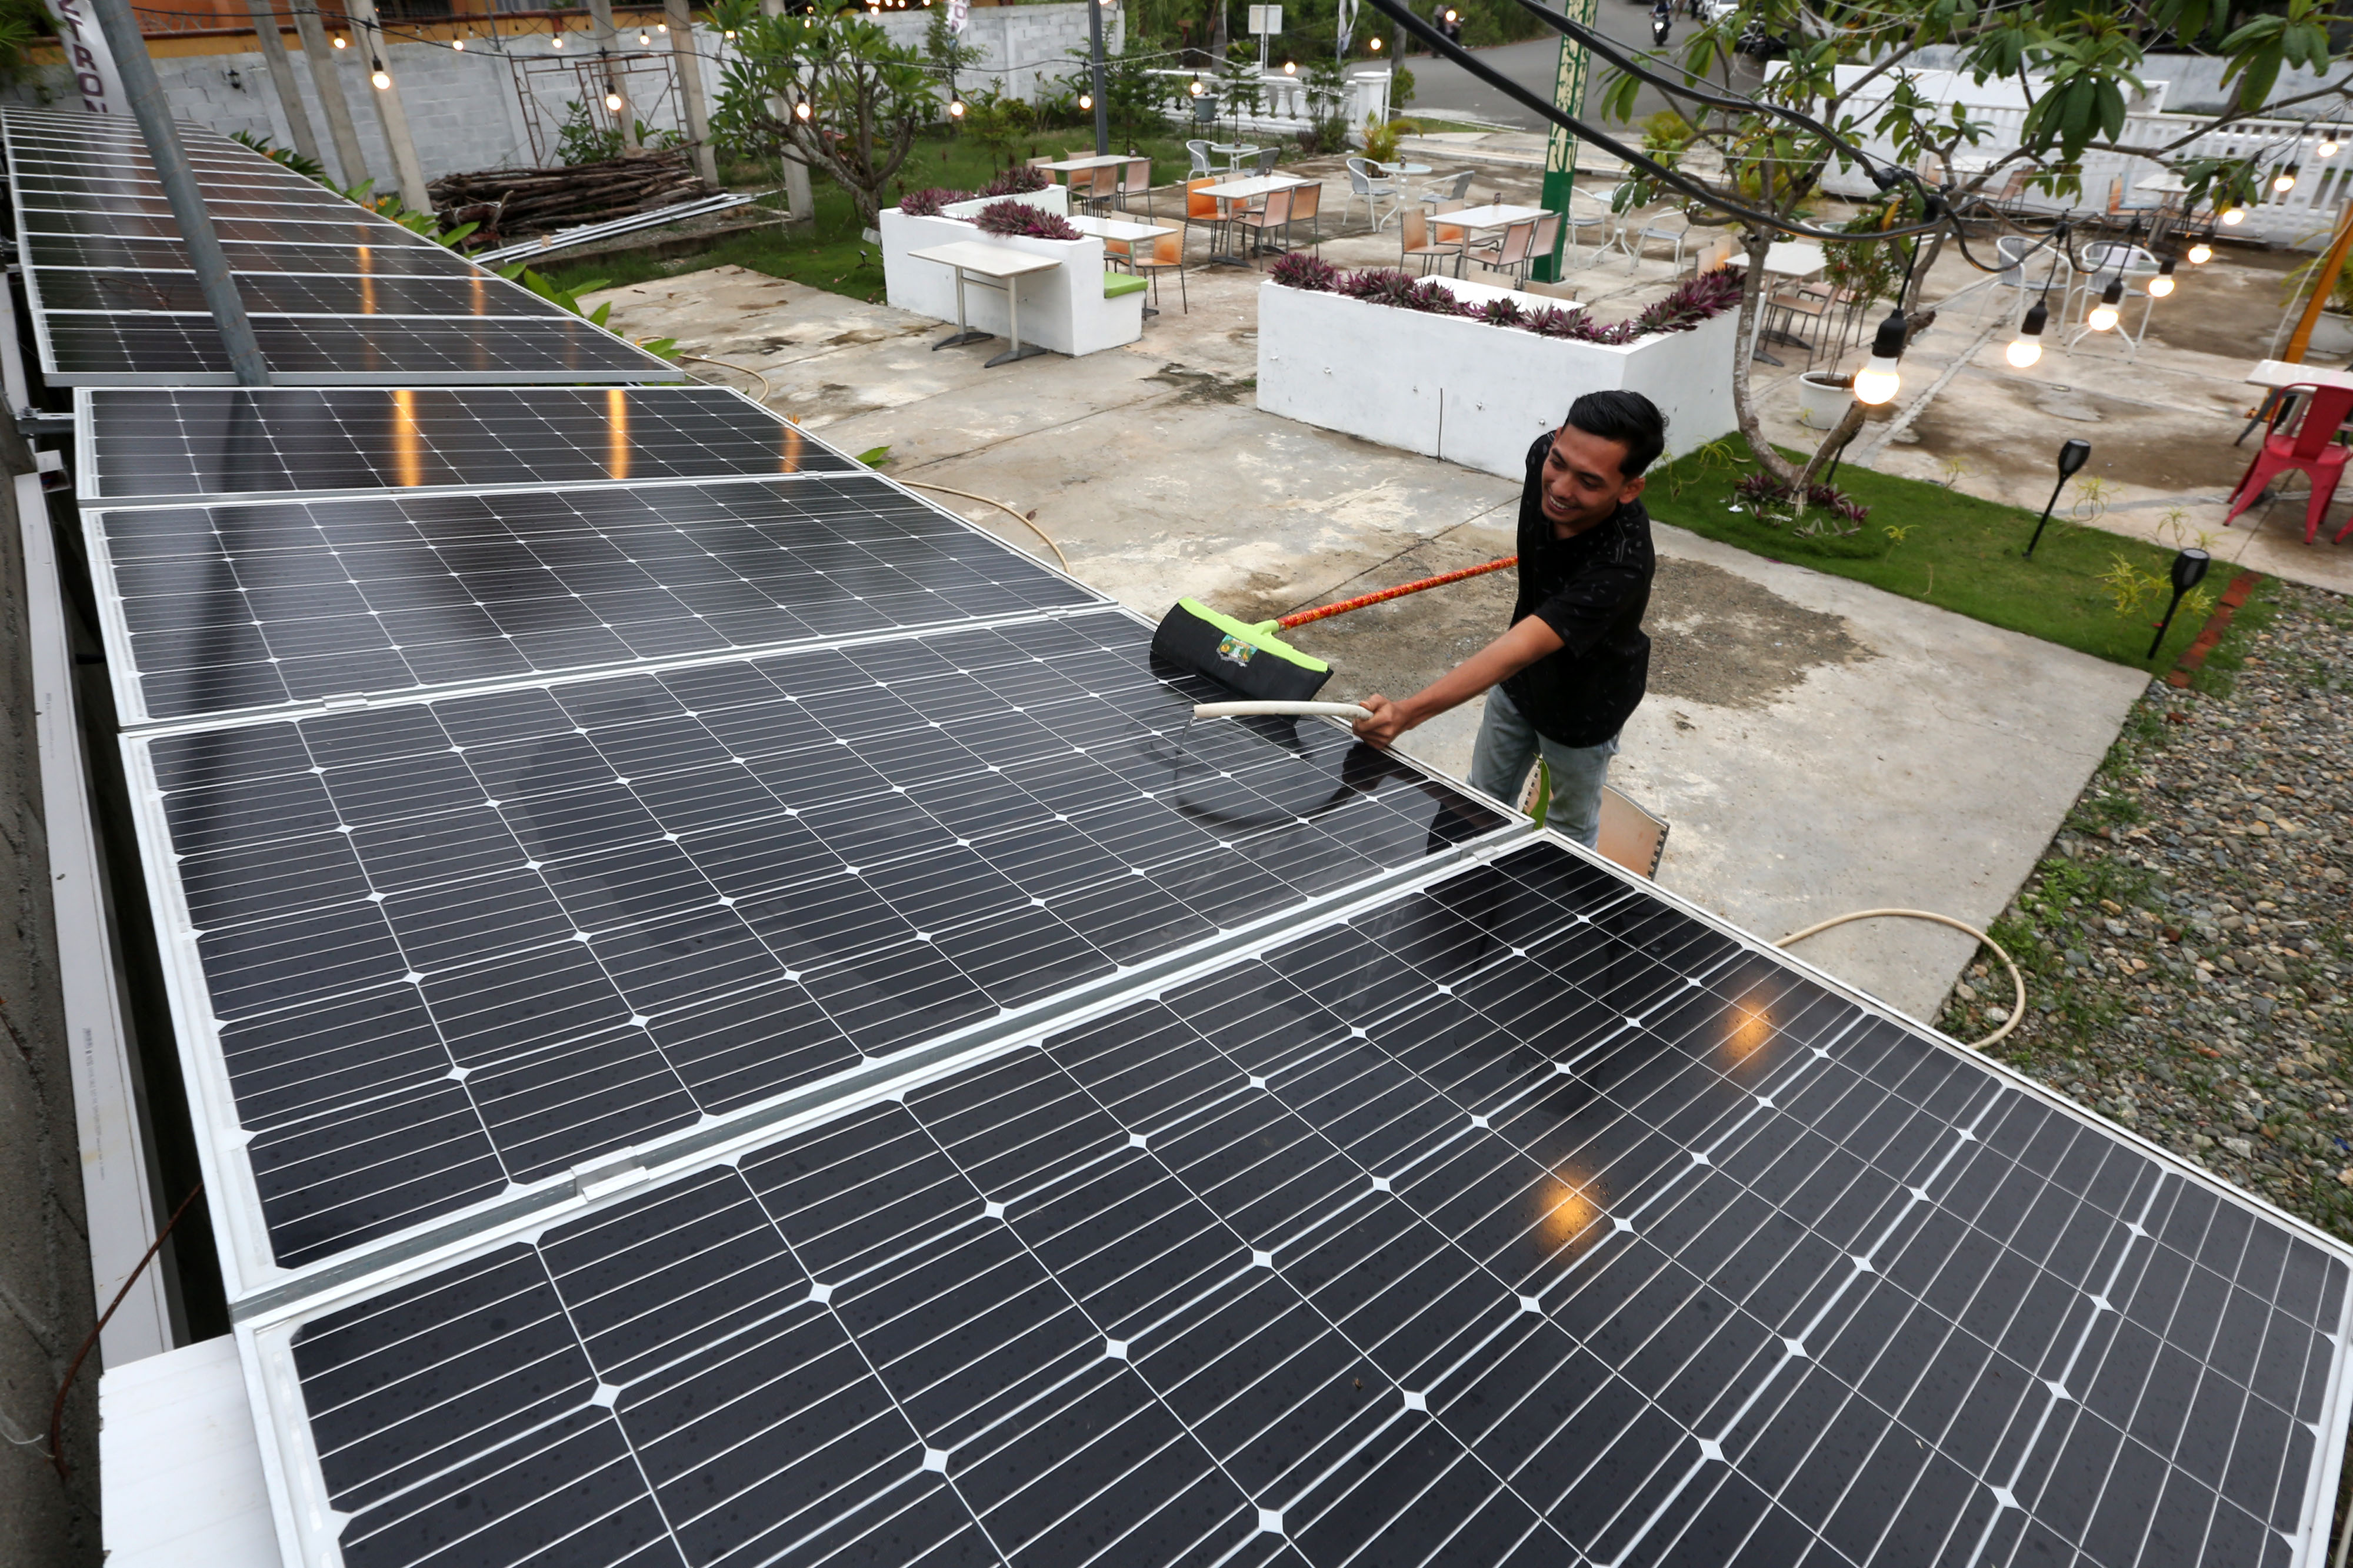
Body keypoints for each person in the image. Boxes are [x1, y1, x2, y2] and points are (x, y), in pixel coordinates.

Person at [1351, 390, 1663, 849]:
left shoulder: (1623, 563)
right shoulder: (1543, 456)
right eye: (1560, 462)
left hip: (1586, 707)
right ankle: (1460, 893)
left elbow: (1520, 648)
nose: (1559, 488)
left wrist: (1408, 713)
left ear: (1629, 487)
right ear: (1556, 439)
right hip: (1519, 686)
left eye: (1590, 483)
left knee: (1566, 833)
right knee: (1477, 801)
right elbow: (1518, 657)